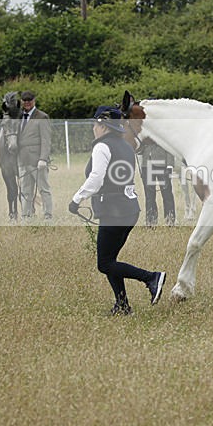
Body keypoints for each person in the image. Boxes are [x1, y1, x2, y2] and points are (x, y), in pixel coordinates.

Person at [68, 106, 166, 316]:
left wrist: (76, 200)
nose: (93, 128)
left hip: (114, 211)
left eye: (95, 124)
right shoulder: (126, 145)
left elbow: (96, 179)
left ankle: (151, 277)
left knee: (104, 264)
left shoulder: (102, 147)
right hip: (130, 209)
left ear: (103, 126)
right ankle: (122, 305)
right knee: (111, 260)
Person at [17, 91, 53, 220]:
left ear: (34, 101)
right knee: (25, 190)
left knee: (43, 189)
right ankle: (26, 216)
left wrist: (43, 159)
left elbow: (46, 140)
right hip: (22, 160)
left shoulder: (42, 117)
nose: (27, 103)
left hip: (37, 160)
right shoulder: (19, 116)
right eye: (24, 101)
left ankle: (48, 215)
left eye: (29, 100)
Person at [138, 140, 176, 226]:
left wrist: (169, 165)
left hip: (162, 164)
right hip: (146, 164)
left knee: (167, 194)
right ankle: (151, 221)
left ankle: (170, 220)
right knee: (149, 195)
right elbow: (139, 149)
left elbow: (169, 146)